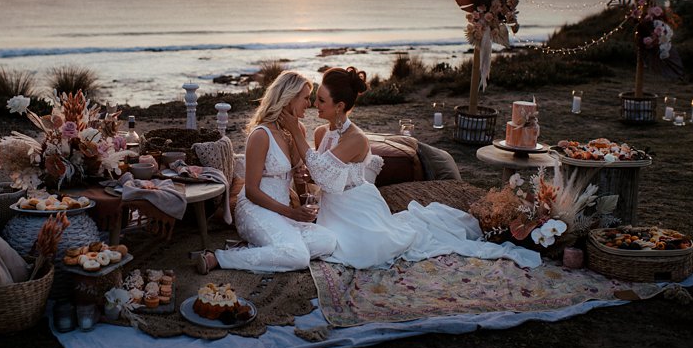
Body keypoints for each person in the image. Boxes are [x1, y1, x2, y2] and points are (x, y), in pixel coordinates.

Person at [279, 66, 541, 269]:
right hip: (332, 206)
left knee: (363, 252)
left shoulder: (355, 138)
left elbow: (323, 170)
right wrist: (307, 173)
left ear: (339, 107)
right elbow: (321, 173)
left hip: (356, 207)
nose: (315, 105)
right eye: (315, 99)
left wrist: (294, 131)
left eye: (321, 101)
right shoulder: (322, 132)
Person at [197, 70, 337, 274]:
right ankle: (219, 257)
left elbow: (300, 184)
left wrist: (302, 182)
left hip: (283, 212)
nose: (310, 103)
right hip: (255, 209)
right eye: (306, 98)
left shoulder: (299, 130)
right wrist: (291, 212)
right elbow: (252, 191)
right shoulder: (261, 135)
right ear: (289, 98)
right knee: (299, 257)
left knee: (328, 240)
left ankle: (272, 248)